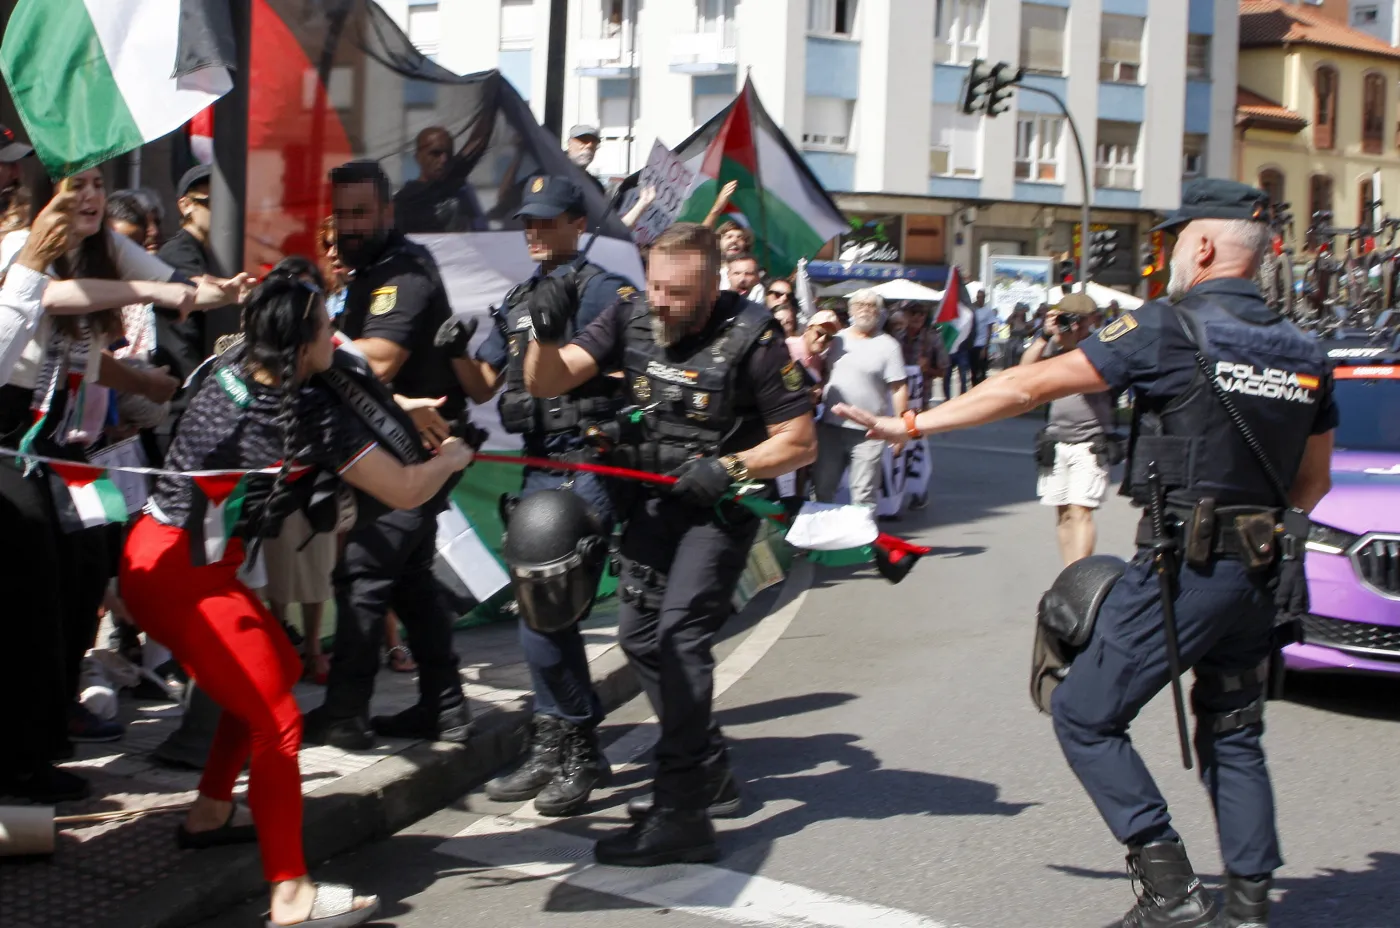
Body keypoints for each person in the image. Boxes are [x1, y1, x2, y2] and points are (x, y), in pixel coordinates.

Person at [834, 179, 1336, 928]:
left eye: (1172, 242)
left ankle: (1171, 890)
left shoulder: (1170, 327)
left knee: (1083, 711)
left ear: (1200, 247)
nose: (1167, 257)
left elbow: (1030, 382)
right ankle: (1250, 907)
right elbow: (1313, 480)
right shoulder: (1306, 349)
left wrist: (912, 427)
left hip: (1187, 567)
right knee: (1233, 729)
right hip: (1262, 575)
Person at [120, 267, 475, 928]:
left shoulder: (228, 365)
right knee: (278, 719)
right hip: (184, 579)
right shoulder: (303, 416)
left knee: (276, 672)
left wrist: (405, 409)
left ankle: (211, 811)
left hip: (162, 553)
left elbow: (350, 388)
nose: (333, 334)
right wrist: (450, 459)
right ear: (300, 343)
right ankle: (290, 893)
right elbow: (401, 489)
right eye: (324, 327)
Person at [524, 222, 817, 866]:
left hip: (717, 509)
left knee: (681, 639)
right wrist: (542, 337)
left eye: (678, 293)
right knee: (639, 639)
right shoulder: (631, 313)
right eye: (655, 284)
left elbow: (800, 440)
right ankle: (706, 764)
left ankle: (681, 810)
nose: (660, 301)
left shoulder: (755, 337)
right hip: (653, 504)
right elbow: (548, 381)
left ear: (712, 285)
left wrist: (732, 467)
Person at [0, 180, 234, 798]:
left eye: (99, 185)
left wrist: (223, 291)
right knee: (34, 583)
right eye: (75, 186)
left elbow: (170, 295)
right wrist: (158, 292)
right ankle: (20, 757)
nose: (90, 196)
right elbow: (55, 297)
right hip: (14, 434)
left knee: (82, 574)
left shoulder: (103, 247)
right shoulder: (21, 250)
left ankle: (47, 735)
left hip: (66, 438)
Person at [455, 174, 635, 816]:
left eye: (546, 219)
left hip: (589, 461)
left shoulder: (606, 293)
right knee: (536, 612)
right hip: (537, 462)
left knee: (555, 605)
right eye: (527, 220)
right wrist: (454, 352)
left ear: (576, 223)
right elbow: (483, 385)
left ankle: (576, 747)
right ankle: (561, 741)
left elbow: (583, 374)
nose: (532, 229)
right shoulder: (519, 296)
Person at [302, 160, 473, 750]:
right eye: (342, 212)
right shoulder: (370, 267)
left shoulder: (402, 273)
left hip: (420, 448)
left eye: (361, 213)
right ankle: (445, 706)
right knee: (411, 579)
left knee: (366, 572)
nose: (349, 225)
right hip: (402, 442)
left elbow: (375, 361)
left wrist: (308, 349)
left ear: (386, 213)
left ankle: (347, 712)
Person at [1021, 292, 1116, 566]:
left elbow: (1097, 372)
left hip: (1090, 442)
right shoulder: (1056, 345)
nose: (1070, 325)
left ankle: (1080, 574)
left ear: (1091, 321)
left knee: (1081, 511)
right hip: (1056, 440)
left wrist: (1075, 339)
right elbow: (1024, 371)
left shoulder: (1101, 345)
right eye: (1064, 318)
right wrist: (1044, 334)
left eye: (1076, 320)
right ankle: (1068, 573)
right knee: (1063, 513)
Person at [811, 289, 908, 509]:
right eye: (860, 304)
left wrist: (902, 427)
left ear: (880, 312)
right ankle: (818, 541)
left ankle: (863, 542)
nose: (865, 309)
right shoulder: (835, 340)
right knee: (822, 488)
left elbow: (899, 387)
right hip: (830, 428)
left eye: (871, 305)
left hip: (869, 432)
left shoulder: (889, 346)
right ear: (850, 310)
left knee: (863, 494)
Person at [155, 165, 217, 393]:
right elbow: (198, 292)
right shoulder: (176, 252)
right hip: (184, 391)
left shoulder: (214, 254)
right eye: (211, 202)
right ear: (186, 206)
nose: (222, 211)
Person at [393, 126, 487, 234]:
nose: (443, 159)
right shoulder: (405, 201)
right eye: (435, 153)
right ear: (418, 157)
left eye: (448, 154)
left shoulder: (462, 191)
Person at [969, 290, 997, 384]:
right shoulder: (973, 310)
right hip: (972, 344)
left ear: (984, 298)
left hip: (981, 344)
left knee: (982, 371)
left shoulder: (988, 311)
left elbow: (990, 330)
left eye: (981, 297)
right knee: (973, 371)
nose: (979, 299)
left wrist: (985, 347)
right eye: (978, 297)